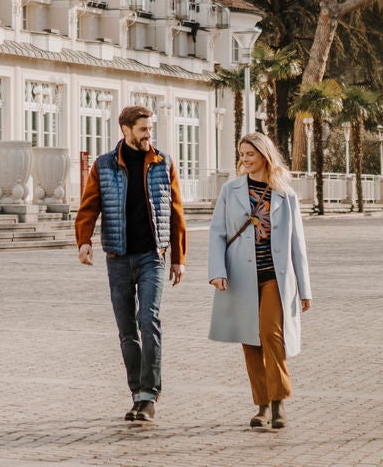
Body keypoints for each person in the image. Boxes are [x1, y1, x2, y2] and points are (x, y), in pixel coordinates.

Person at [75, 104, 187, 424]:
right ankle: (137, 394)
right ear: (125, 130)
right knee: (127, 331)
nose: (148, 134)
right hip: (118, 257)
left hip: (153, 255)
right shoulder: (104, 165)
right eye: (143, 129)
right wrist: (84, 241)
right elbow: (88, 207)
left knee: (148, 320)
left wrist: (178, 258)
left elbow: (176, 213)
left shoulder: (163, 164)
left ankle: (150, 395)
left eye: (150, 128)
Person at [208, 132, 310, 431]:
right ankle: (262, 405)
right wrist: (217, 271)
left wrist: (305, 289)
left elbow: (297, 244)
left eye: (249, 154)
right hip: (241, 275)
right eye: (241, 154)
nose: (244, 159)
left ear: (264, 155)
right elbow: (217, 233)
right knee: (250, 340)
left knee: (271, 335)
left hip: (275, 278)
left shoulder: (285, 194)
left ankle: (279, 403)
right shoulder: (231, 190)